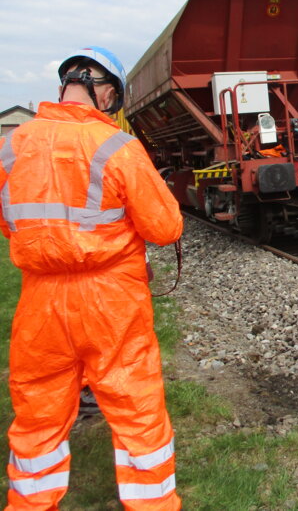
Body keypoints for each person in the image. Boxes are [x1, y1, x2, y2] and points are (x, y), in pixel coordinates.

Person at [0, 47, 184, 509]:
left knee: (38, 411)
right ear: (104, 92)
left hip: (40, 303)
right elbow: (165, 229)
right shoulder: (118, 147)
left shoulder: (12, 145)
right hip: (111, 302)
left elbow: (9, 222)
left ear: (67, 84)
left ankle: (30, 503)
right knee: (136, 408)